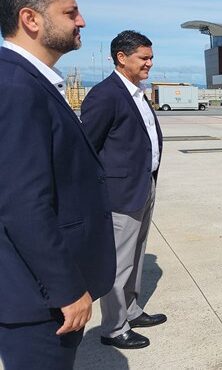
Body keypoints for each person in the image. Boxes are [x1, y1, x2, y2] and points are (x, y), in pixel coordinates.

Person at [0, 0, 115, 370]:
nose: (81, 20)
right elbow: (22, 203)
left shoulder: (30, 80)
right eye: (70, 13)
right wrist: (67, 289)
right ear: (29, 19)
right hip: (38, 300)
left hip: (40, 291)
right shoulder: (16, 87)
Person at [80, 30, 167, 350]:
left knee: (137, 253)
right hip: (119, 193)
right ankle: (114, 327)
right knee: (119, 261)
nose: (149, 63)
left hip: (145, 184)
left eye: (151, 57)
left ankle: (131, 309)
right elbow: (86, 148)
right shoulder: (106, 95)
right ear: (122, 57)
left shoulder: (137, 92)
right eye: (144, 58)